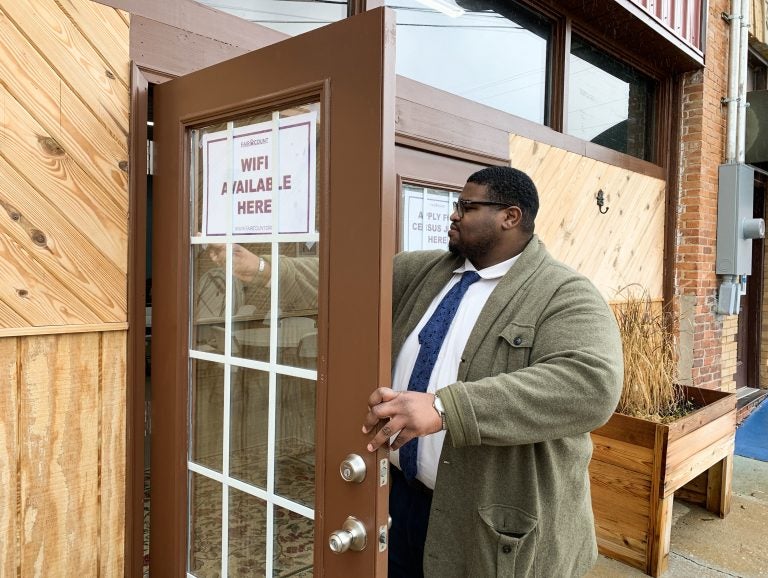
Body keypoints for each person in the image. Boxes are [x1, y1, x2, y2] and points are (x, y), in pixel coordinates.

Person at [362, 166, 624, 577]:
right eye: (456, 205)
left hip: (488, 523)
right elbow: (346, 284)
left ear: (510, 217)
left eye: (467, 206)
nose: (454, 215)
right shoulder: (425, 272)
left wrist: (446, 408)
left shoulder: (563, 292)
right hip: (402, 499)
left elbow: (591, 385)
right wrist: (261, 271)